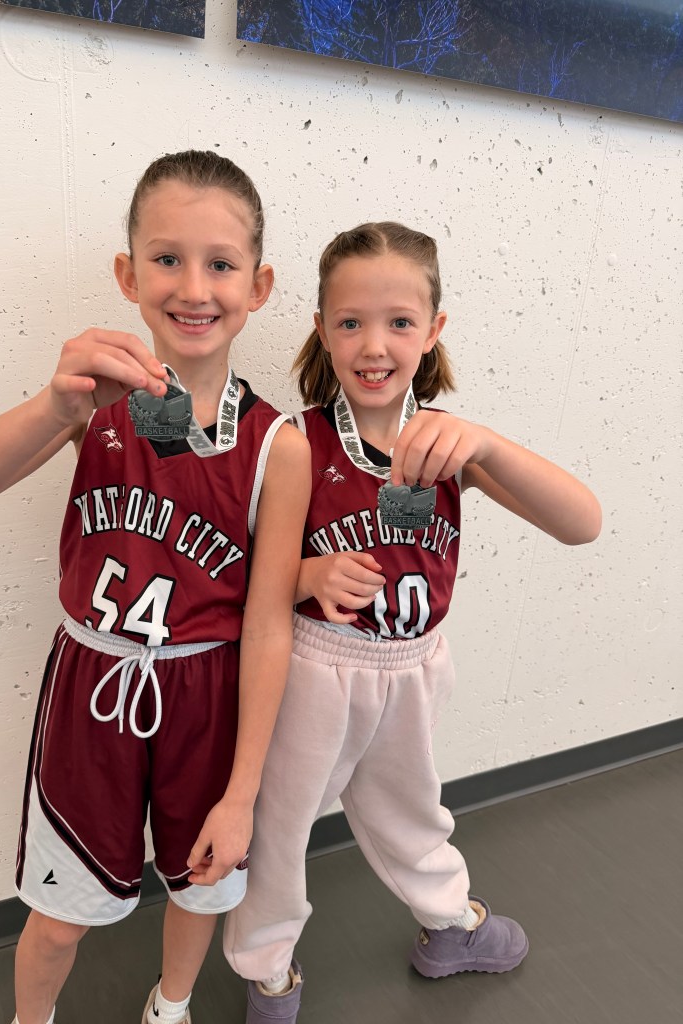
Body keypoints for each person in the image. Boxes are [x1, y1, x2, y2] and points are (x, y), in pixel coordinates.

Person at [0, 150, 310, 1024]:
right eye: (167, 258)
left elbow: (268, 625)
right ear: (129, 275)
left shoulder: (278, 447)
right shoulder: (92, 403)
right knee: (59, 920)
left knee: (200, 886)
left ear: (259, 285)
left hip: (208, 692)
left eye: (221, 264)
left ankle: (170, 1007)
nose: (194, 287)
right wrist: (53, 407)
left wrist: (243, 792)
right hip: (94, 683)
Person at [223, 221, 602, 1022]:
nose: (374, 345)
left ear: (433, 331)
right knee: (279, 826)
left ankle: (449, 924)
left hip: (416, 665)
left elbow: (582, 523)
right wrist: (308, 576)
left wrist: (487, 443)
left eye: (399, 321)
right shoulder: (297, 441)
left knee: (412, 810)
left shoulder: (450, 446)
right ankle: (267, 970)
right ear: (322, 328)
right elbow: (243, 581)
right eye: (351, 321)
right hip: (317, 666)